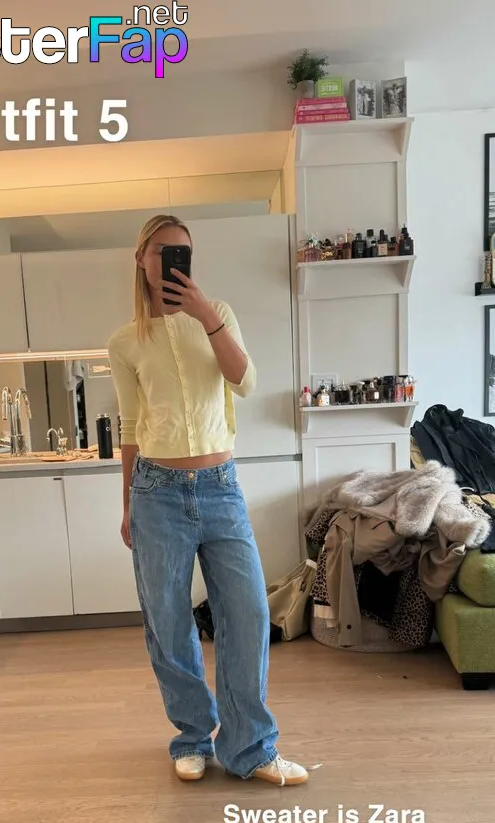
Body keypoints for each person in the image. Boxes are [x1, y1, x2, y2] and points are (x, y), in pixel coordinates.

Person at [107, 214, 309, 787]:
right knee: (169, 622)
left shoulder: (217, 313)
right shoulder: (125, 341)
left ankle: (250, 747)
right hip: (156, 492)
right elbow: (130, 427)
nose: (173, 262)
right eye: (162, 251)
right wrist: (127, 503)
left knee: (247, 612)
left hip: (221, 488)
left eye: (184, 253)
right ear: (141, 259)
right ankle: (193, 736)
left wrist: (205, 317)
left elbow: (244, 380)